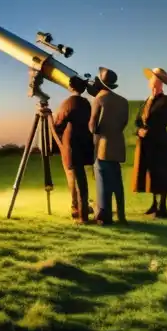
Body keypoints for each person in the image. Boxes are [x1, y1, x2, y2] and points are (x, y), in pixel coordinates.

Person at [132, 67, 167, 218]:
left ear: (159, 82)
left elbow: (162, 120)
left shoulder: (166, 100)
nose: (150, 81)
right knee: (149, 173)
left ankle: (162, 205)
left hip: (159, 142)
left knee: (162, 173)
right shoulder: (147, 100)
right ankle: (154, 203)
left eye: (153, 79)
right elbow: (138, 120)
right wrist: (139, 130)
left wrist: (148, 131)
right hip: (146, 142)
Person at [87, 67, 128, 225]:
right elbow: (123, 123)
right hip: (118, 144)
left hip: (103, 145)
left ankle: (104, 216)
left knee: (102, 182)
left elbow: (93, 126)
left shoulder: (99, 99)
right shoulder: (123, 101)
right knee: (117, 182)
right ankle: (122, 215)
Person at [52, 77, 95, 223]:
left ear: (71, 87)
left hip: (73, 145)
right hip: (85, 144)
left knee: (79, 180)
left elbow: (58, 123)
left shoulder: (68, 103)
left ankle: (82, 215)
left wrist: (50, 120)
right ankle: (79, 208)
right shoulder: (86, 103)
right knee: (80, 178)